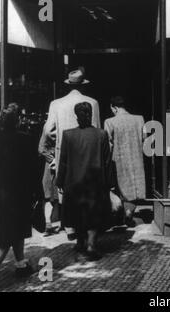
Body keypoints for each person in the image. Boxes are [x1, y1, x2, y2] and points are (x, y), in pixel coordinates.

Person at [43, 67, 101, 239]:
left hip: (64, 150)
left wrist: (58, 138)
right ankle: (85, 226)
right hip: (87, 151)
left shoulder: (56, 104)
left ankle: (70, 227)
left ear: (68, 85)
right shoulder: (93, 103)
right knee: (87, 187)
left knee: (66, 189)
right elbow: (96, 130)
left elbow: (47, 131)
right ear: (84, 85)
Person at [0, 103, 39, 291]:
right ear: (17, 121)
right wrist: (38, 193)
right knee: (12, 230)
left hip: (0, 192)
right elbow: (34, 169)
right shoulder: (26, 140)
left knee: (9, 228)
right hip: (21, 192)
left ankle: (21, 264)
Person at [56, 102, 113, 261]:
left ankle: (81, 242)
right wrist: (109, 182)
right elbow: (107, 161)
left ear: (76, 116)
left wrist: (60, 181)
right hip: (95, 182)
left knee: (77, 213)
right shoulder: (101, 134)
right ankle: (91, 245)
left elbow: (64, 161)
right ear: (91, 114)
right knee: (93, 215)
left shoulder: (68, 135)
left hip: (74, 182)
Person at [104, 96, 146, 226]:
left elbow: (108, 144)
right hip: (136, 157)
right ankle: (129, 212)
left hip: (118, 160)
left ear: (114, 107)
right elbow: (145, 138)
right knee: (135, 188)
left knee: (120, 187)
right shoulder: (139, 119)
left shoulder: (109, 122)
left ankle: (122, 214)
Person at [38, 123, 59, 236]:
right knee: (50, 196)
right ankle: (48, 224)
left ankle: (52, 223)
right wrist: (52, 158)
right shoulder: (48, 127)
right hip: (51, 166)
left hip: (54, 163)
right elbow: (41, 148)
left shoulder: (48, 126)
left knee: (54, 196)